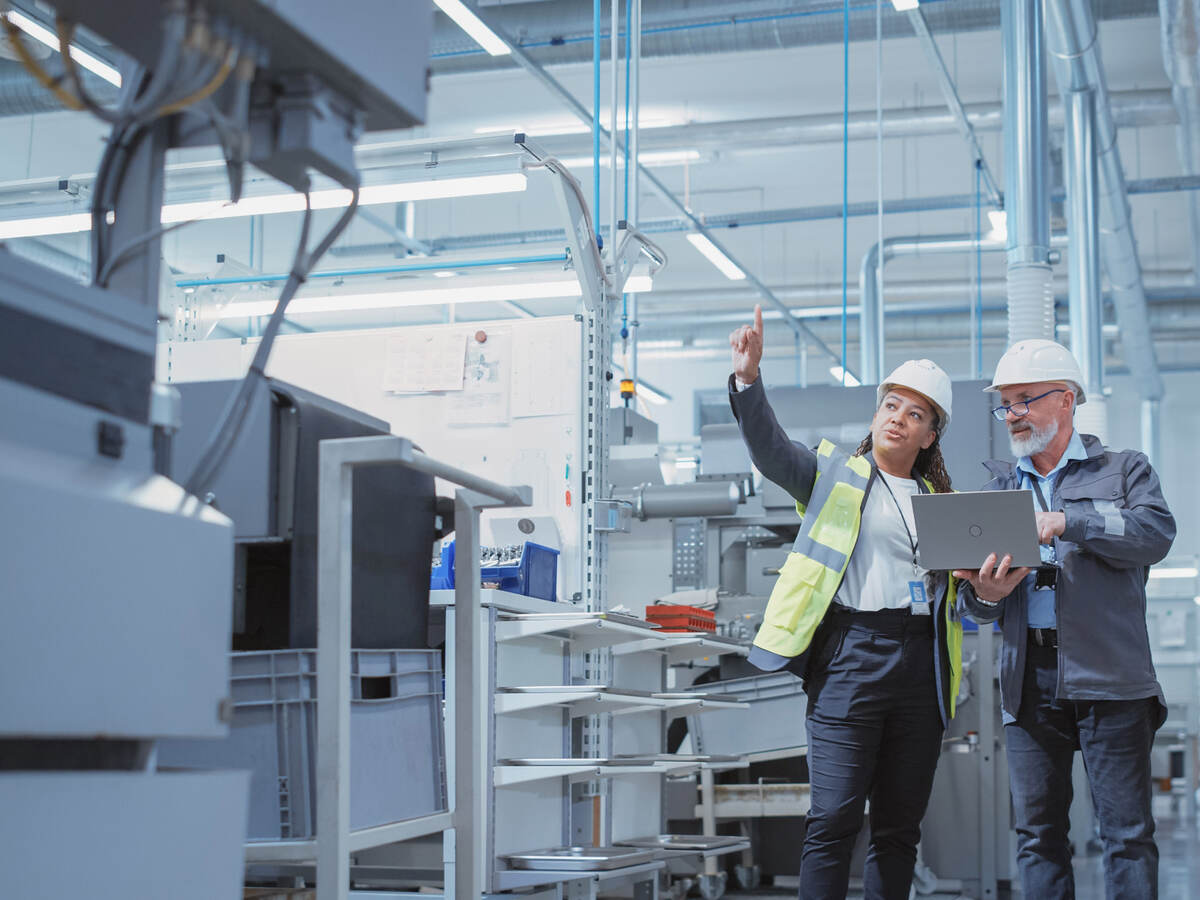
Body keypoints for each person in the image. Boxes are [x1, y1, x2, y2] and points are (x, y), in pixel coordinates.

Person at [728, 304, 963, 900]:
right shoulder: (835, 474)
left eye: (916, 415)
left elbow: (965, 599)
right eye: (891, 406)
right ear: (877, 412)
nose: (899, 420)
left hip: (921, 668)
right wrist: (750, 381)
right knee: (832, 819)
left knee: (898, 829)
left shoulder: (943, 500)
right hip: (851, 658)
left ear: (930, 434)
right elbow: (772, 451)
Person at [953, 339, 1176, 900]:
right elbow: (972, 609)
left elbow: (1153, 534)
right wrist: (984, 593)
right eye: (1006, 404)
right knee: (1038, 836)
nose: (1013, 415)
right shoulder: (997, 491)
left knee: (1126, 835)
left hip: (1112, 679)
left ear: (1068, 400)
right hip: (1027, 682)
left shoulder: (1125, 471)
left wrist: (1066, 522)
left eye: (1025, 399)